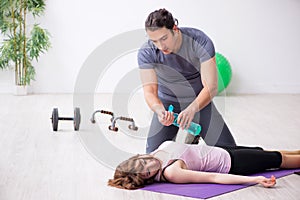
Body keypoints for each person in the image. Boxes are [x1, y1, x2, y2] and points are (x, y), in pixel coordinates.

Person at [138, 8, 236, 153]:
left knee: (230, 153)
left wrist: (192, 109)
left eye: (164, 38)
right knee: (153, 158)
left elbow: (211, 87)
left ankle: (193, 132)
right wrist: (160, 111)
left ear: (175, 29)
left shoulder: (199, 41)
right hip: (168, 105)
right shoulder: (146, 52)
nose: (160, 46)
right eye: (154, 41)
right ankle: (189, 135)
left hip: (199, 102)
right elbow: (150, 92)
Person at [108, 140, 300, 190]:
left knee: (270, 152)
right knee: (279, 160)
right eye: (148, 173)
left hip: (222, 150)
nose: (151, 166)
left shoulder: (155, 153)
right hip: (233, 163)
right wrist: (254, 180)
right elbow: (214, 178)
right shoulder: (172, 172)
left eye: (144, 163)